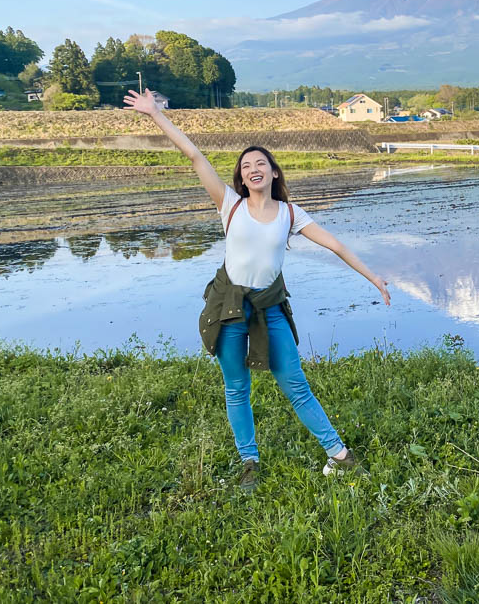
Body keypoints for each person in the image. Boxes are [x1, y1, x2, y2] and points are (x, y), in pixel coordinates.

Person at [124, 88, 390, 492]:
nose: (253, 169)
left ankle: (340, 456)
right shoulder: (228, 204)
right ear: (241, 176)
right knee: (236, 386)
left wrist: (373, 278)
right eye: (246, 165)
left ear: (274, 172)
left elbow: (335, 245)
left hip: (269, 306)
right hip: (229, 304)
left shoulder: (289, 213)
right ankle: (249, 461)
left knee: (294, 381)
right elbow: (195, 156)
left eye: (260, 163)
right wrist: (154, 116)